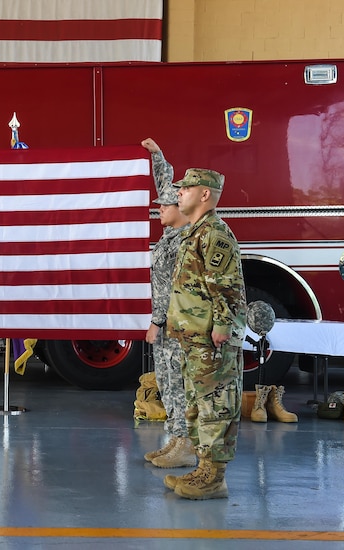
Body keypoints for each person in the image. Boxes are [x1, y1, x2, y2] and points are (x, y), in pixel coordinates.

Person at [163, 168, 247, 500]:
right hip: (194, 337)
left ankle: (215, 477)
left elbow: (227, 287)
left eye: (185, 189)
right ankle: (202, 469)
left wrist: (224, 327)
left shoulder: (215, 234)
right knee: (199, 406)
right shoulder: (195, 233)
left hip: (211, 338)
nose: (179, 193)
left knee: (217, 406)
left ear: (205, 195)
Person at [140, 138, 196, 469]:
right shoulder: (170, 236)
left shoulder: (184, 243)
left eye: (164, 205)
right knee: (165, 380)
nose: (158, 208)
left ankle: (185, 443)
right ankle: (174, 438)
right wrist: (157, 155)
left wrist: (157, 321)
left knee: (178, 382)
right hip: (165, 327)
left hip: (175, 326)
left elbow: (174, 289)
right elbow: (166, 185)